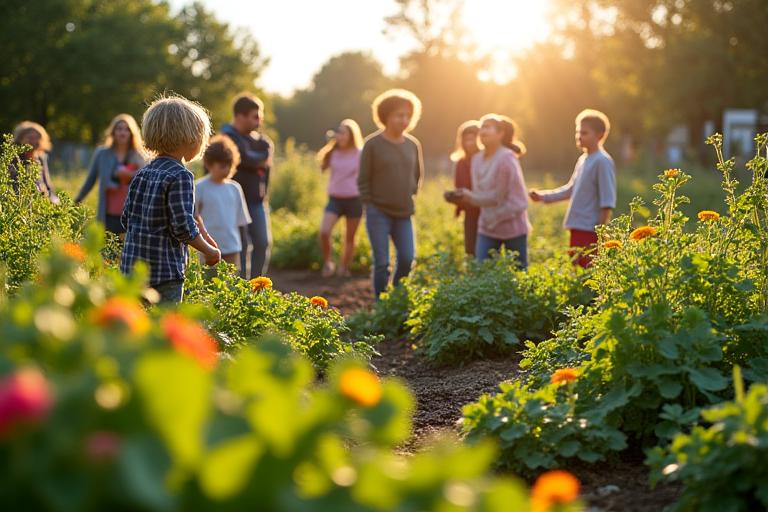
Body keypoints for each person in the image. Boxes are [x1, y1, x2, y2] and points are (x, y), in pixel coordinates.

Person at [120, 95, 221, 304]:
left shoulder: (143, 172)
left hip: (132, 270)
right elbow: (182, 227)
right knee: (164, 331)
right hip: (164, 274)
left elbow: (126, 218)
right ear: (191, 137)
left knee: (134, 330)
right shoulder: (181, 176)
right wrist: (209, 250)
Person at [358, 89, 424, 300]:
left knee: (407, 258)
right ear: (385, 116)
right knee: (382, 263)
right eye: (398, 115)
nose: (404, 120)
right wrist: (369, 203)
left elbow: (417, 175)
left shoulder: (413, 145)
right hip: (378, 211)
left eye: (407, 115)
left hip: (404, 211)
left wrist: (410, 194)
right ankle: (381, 305)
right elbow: (363, 179)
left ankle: (395, 298)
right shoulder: (372, 144)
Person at [529, 109, 616, 268]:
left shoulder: (602, 161)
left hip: (590, 229)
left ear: (600, 135)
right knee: (576, 270)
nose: (579, 136)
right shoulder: (583, 159)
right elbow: (570, 189)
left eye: (584, 132)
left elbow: (607, 201)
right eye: (577, 132)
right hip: (577, 225)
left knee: (589, 274)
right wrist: (543, 196)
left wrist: (600, 234)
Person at [454, 115, 530, 267]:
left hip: (512, 225)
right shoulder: (476, 159)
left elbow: (498, 197)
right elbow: (479, 192)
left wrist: (469, 197)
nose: (483, 130)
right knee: (482, 270)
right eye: (482, 127)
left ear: (500, 133)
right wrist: (466, 196)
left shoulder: (507, 158)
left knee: (518, 272)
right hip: (487, 225)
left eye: (488, 127)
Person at [220, 93, 274, 279]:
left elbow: (263, 154)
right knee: (239, 247)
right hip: (232, 202)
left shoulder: (262, 141)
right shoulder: (226, 138)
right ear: (240, 116)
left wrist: (253, 159)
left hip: (256, 200)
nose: (259, 120)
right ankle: (241, 289)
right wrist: (255, 159)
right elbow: (246, 158)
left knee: (262, 242)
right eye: (255, 116)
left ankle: (257, 286)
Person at [75, 114, 146, 235]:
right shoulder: (102, 153)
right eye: (119, 129)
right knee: (107, 250)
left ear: (132, 132)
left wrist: (130, 174)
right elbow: (90, 180)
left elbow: (146, 179)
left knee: (127, 252)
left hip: (133, 215)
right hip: (108, 214)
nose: (123, 132)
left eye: (127, 129)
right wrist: (76, 201)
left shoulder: (139, 155)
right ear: (113, 132)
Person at [195, 135, 251, 269]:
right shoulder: (199, 187)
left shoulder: (235, 188)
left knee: (231, 285)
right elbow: (194, 218)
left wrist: (244, 245)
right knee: (209, 285)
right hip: (207, 249)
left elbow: (241, 222)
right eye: (222, 166)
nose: (226, 170)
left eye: (229, 166)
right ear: (209, 164)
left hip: (232, 247)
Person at [317, 119, 364, 277]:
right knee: (324, 232)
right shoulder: (333, 152)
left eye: (344, 133)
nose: (340, 136)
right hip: (335, 200)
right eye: (339, 132)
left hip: (354, 200)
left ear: (351, 136)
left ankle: (344, 268)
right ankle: (328, 263)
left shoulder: (360, 153)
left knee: (349, 237)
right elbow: (322, 167)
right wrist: (328, 148)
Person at [447, 120, 481, 257]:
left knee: (488, 247)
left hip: (487, 209)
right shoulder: (461, 163)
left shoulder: (486, 159)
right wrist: (454, 197)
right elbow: (459, 186)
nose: (470, 143)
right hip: (470, 209)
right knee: (471, 247)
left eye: (473, 139)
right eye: (466, 140)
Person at [11, 121, 59, 204]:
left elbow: (47, 183)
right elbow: (14, 186)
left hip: (42, 200)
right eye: (30, 138)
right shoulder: (14, 159)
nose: (34, 141)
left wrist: (53, 199)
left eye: (37, 137)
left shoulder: (41, 157)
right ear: (20, 139)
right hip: (22, 201)